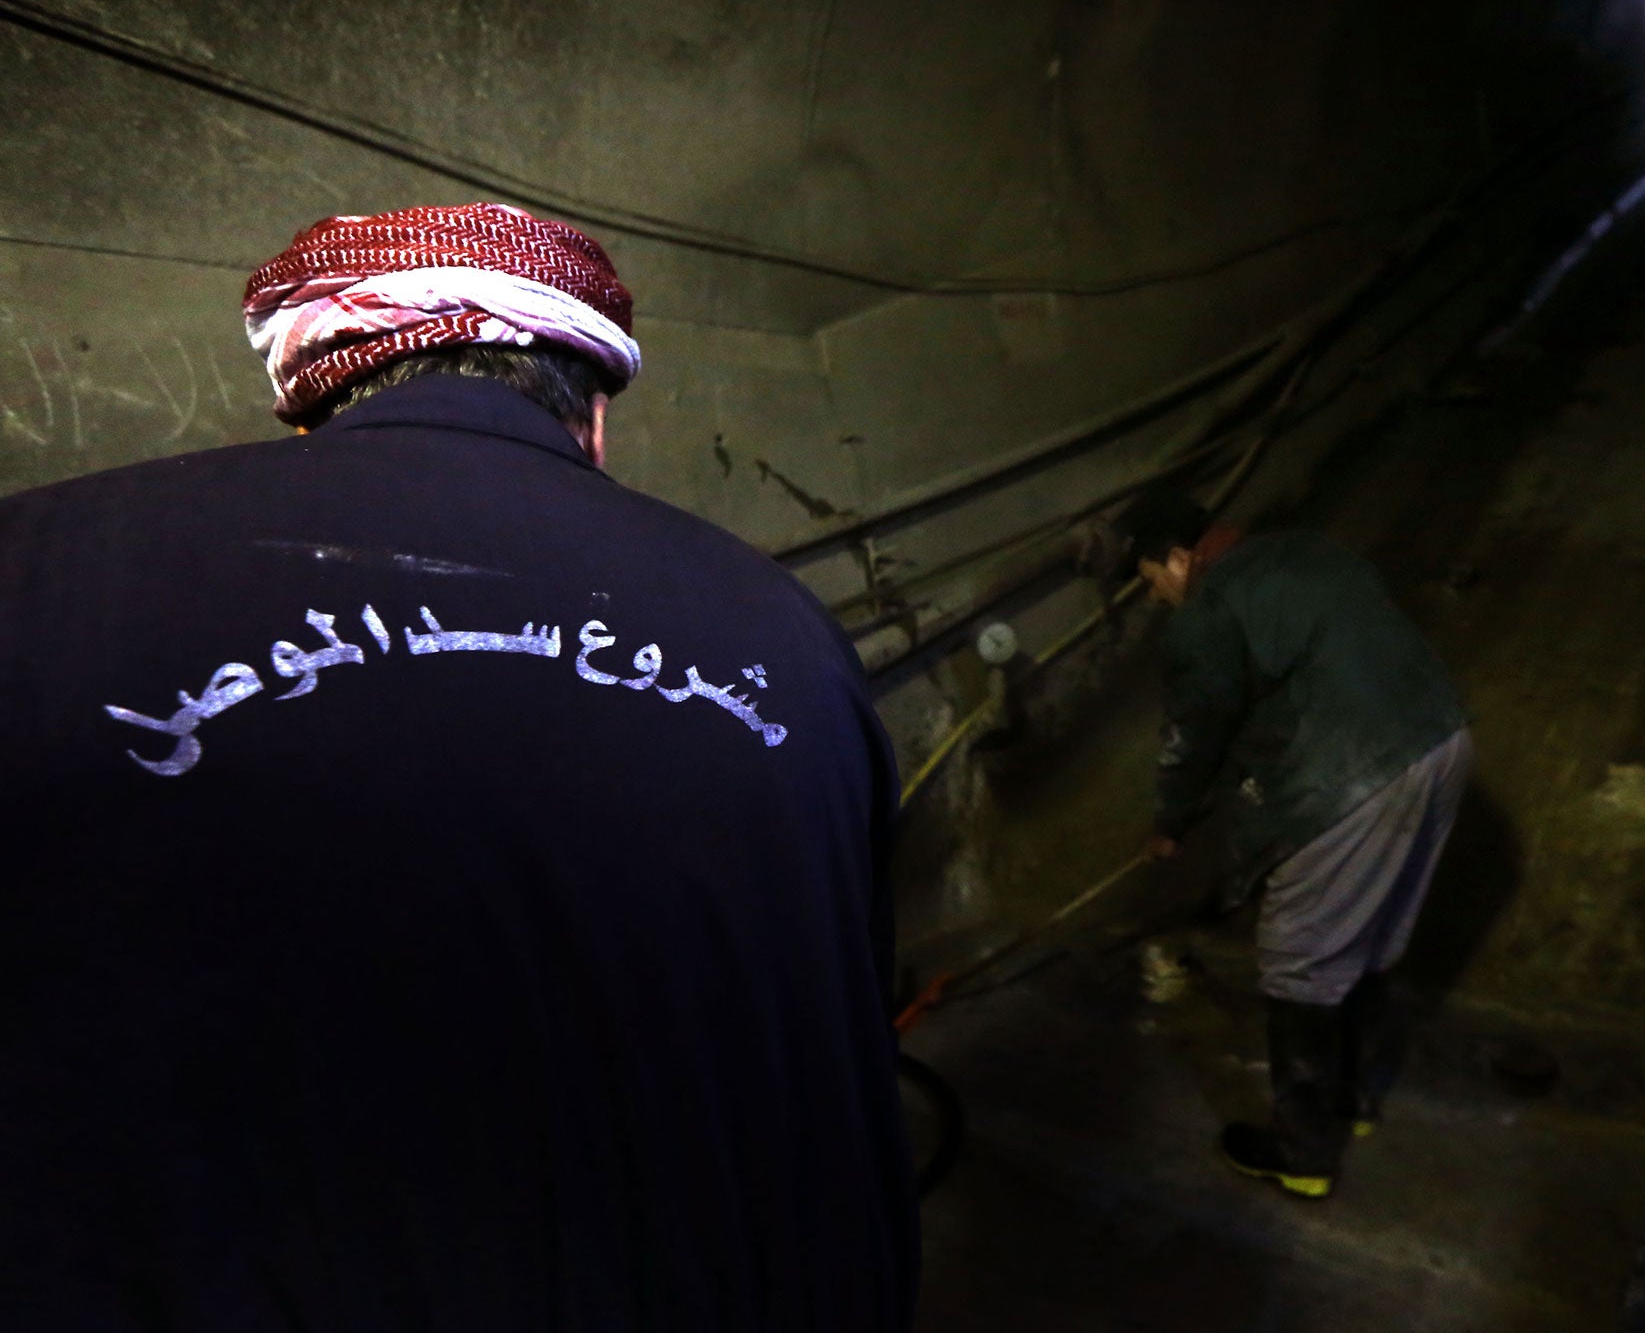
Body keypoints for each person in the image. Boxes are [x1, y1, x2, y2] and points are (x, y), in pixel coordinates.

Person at [0, 203, 917, 1329]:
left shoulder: (35, 568)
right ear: (592, 418)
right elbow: (837, 1031)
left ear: (306, 404)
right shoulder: (786, 633)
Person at [1119, 487, 1471, 1200]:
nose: (1156, 599)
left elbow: (1194, 736)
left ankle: (1302, 1152)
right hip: (1441, 743)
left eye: (1152, 581)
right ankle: (1356, 1099)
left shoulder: (1207, 615)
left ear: (1180, 559)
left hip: (1355, 780)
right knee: (1373, 934)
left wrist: (1169, 824)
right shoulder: (1308, 549)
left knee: (1298, 956)